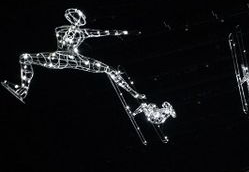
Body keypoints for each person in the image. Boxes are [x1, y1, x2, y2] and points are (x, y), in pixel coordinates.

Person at [2, 8, 145, 103]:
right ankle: (23, 90)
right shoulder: (60, 29)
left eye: (79, 19)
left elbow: (107, 32)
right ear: (71, 18)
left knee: (109, 69)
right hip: (58, 57)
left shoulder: (84, 32)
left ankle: (134, 94)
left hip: (75, 59)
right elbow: (63, 40)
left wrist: (127, 32)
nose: (76, 21)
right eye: (74, 18)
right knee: (25, 57)